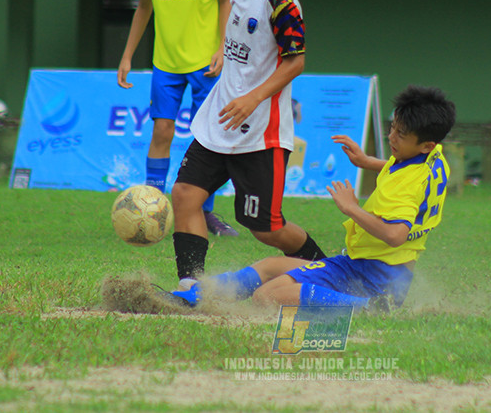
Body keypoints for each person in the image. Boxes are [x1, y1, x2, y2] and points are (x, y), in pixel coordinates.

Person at [169, 85, 456, 311]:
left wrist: (351, 208)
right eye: (392, 127)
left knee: (266, 297)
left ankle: (369, 308)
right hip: (373, 269)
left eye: (401, 134)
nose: (392, 136)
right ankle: (194, 295)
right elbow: (404, 173)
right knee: (271, 265)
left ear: (426, 144)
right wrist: (368, 161)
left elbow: (395, 235)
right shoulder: (434, 159)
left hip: (375, 279)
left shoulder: (405, 185)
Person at [169, 0, 326, 289]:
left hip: (260, 133)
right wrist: (223, 51)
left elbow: (296, 62)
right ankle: (193, 289)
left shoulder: (282, 1)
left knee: (265, 228)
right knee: (186, 194)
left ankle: (330, 272)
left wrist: (253, 98)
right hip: (220, 120)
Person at [117, 0, 238, 236]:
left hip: (206, 63)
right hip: (165, 62)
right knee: (162, 130)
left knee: (207, 140)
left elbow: (225, 1)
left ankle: (206, 214)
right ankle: (149, 208)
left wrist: (222, 49)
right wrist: (126, 56)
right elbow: (143, 8)